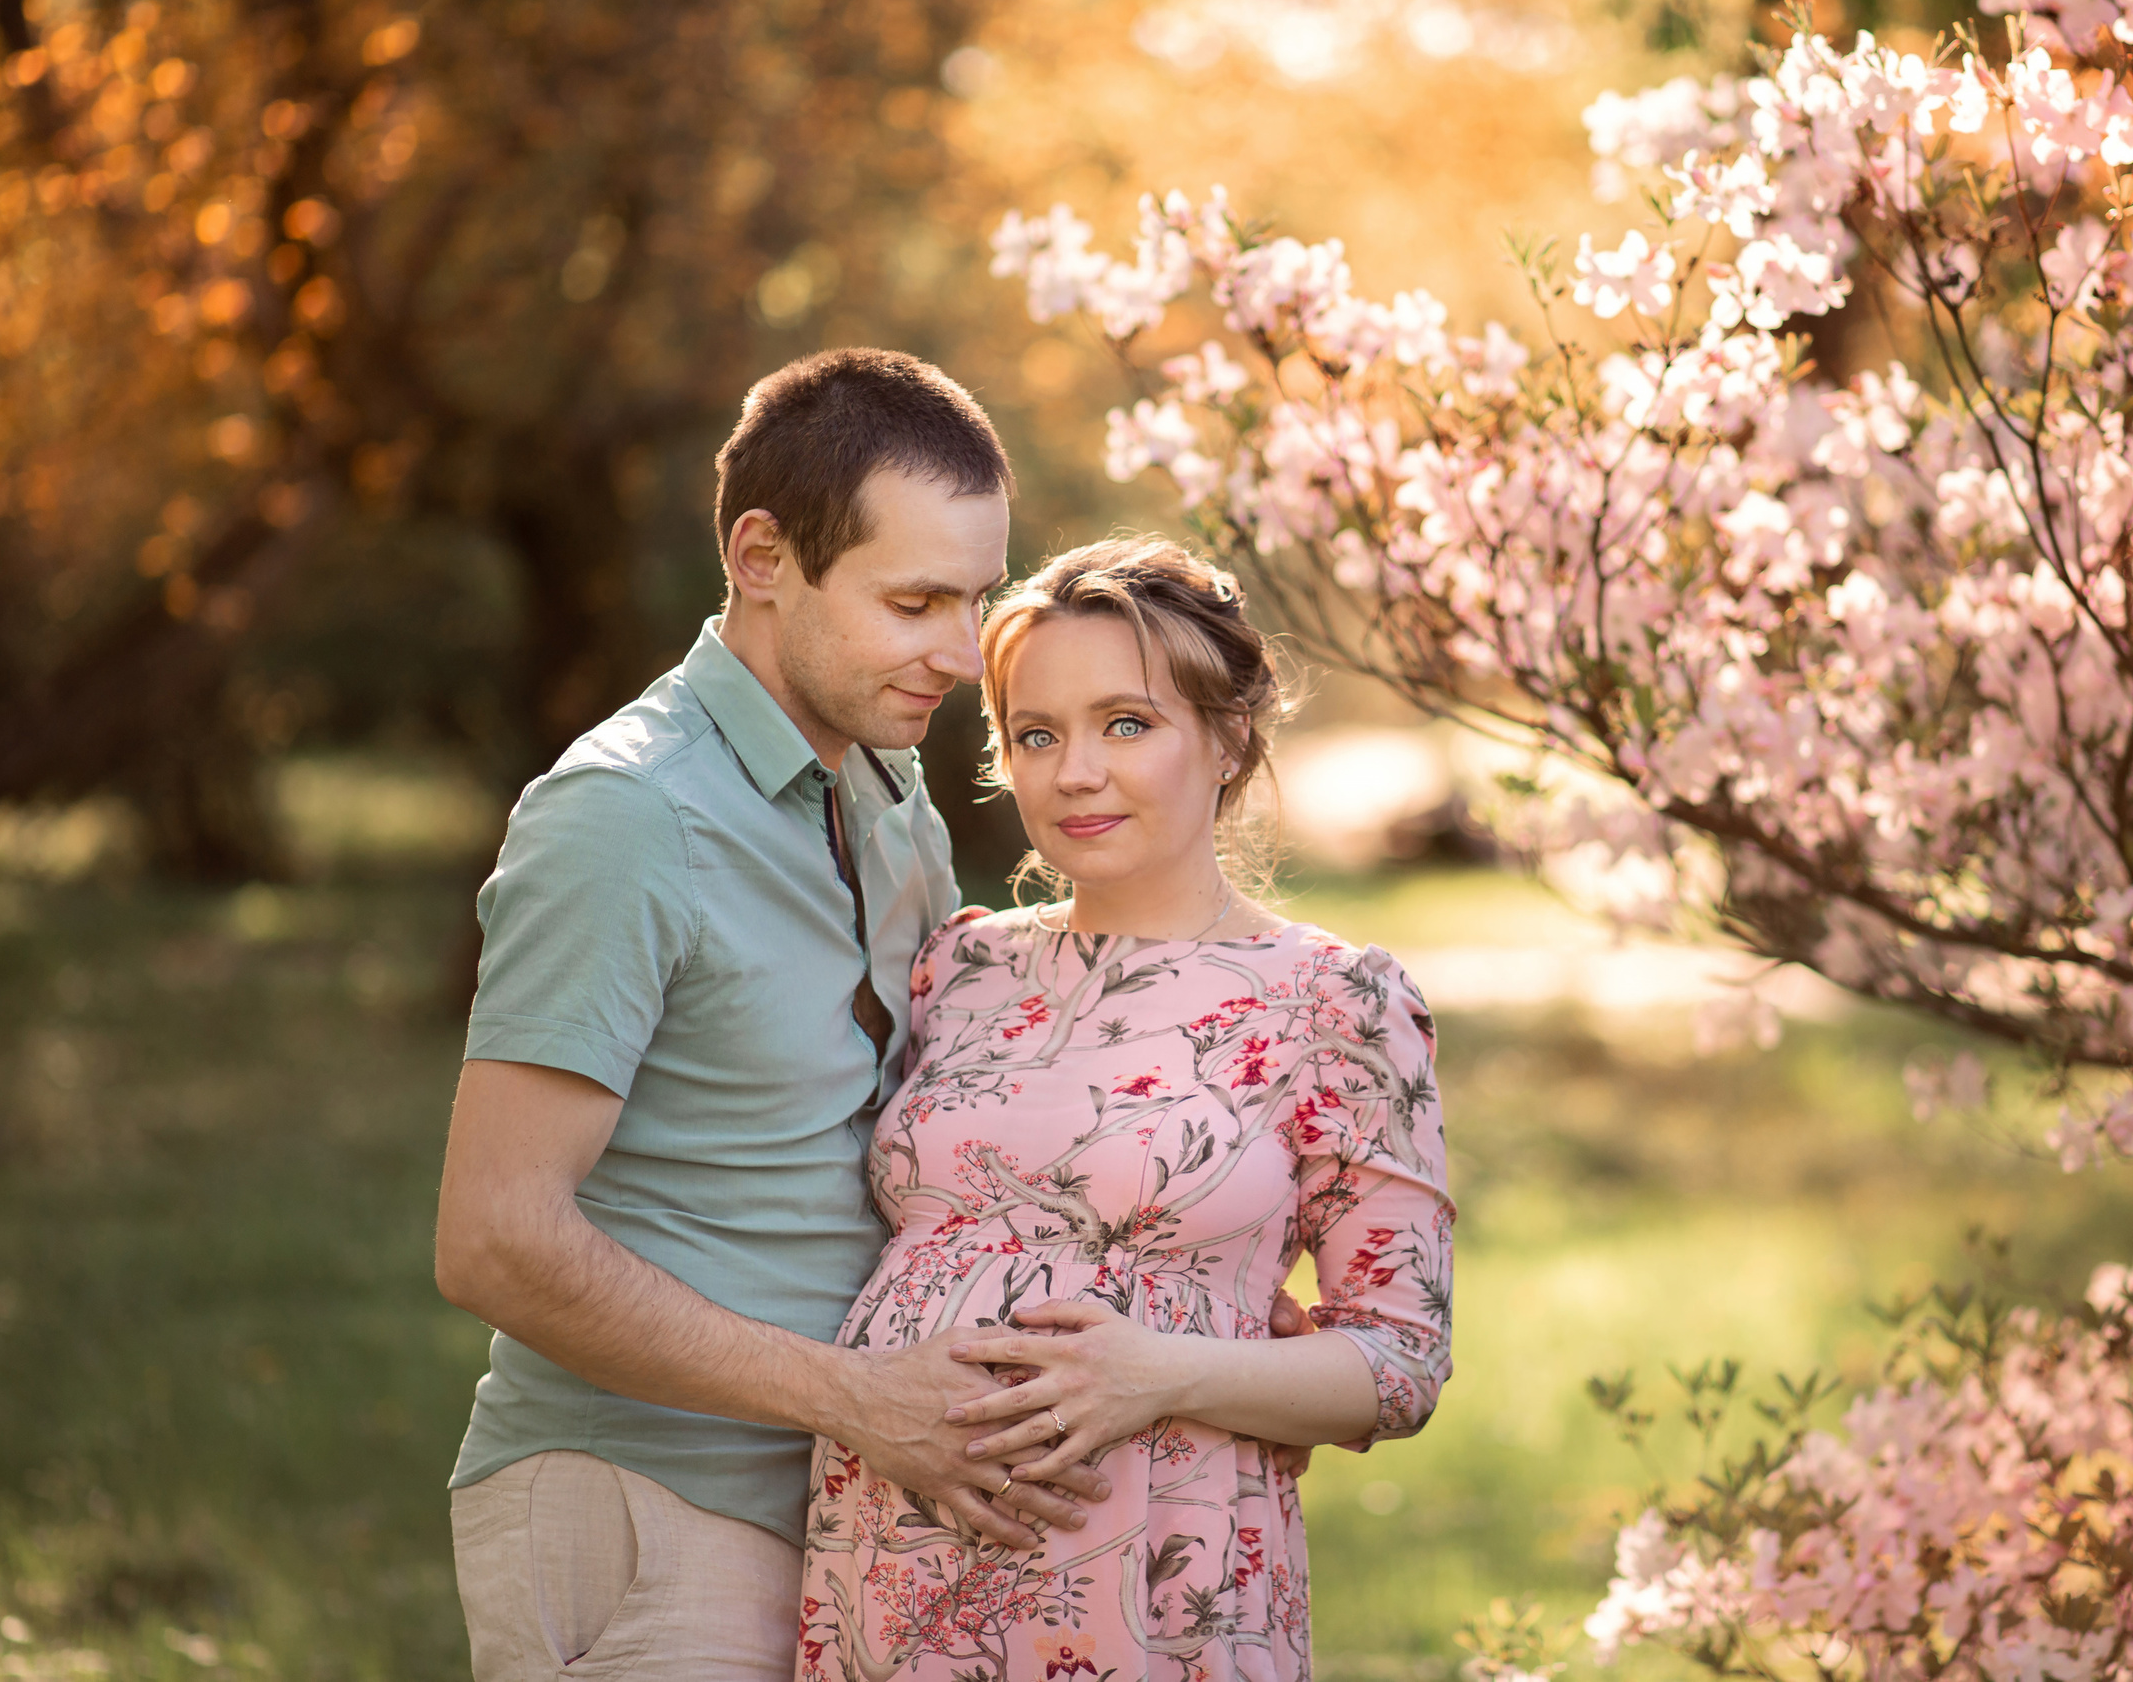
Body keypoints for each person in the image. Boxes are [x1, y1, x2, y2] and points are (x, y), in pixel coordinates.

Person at [432, 348, 1114, 1681]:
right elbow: (494, 1240)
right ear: (761, 556)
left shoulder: (889, 787)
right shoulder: (627, 817)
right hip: (641, 1497)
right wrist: (858, 1398)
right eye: (913, 599)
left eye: (974, 600)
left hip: (856, 1505)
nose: (959, 654)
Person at [799, 538, 1455, 1681]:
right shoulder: (960, 965)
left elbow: (1399, 1363)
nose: (1073, 773)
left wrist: (1162, 1371)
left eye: (1126, 725)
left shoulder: (1334, 1000)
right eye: (1036, 735)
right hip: (888, 1556)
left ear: (1228, 737)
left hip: (1154, 1567)